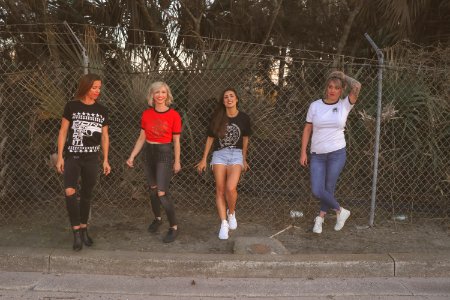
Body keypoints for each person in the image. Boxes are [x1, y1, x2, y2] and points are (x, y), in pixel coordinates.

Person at [300, 71, 361, 234]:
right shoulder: (315, 106)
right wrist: (303, 152)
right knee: (317, 190)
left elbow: (357, 87)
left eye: (336, 88)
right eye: (330, 87)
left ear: (341, 90)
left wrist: (343, 76)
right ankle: (341, 211)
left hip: (337, 153)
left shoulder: (344, 104)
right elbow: (307, 129)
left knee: (329, 187)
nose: (332, 90)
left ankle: (319, 219)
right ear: (326, 88)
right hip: (317, 155)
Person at [56, 73, 111, 251]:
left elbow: (105, 136)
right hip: (73, 156)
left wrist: (106, 160)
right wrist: (60, 156)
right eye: (94, 87)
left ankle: (84, 228)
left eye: (99, 88)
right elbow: (63, 132)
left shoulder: (102, 110)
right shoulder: (72, 106)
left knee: (87, 193)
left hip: (92, 158)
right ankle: (76, 232)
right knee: (70, 191)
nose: (97, 91)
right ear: (86, 87)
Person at [126, 81, 182, 243]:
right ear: (152, 95)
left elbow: (176, 141)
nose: (160, 95)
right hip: (148, 153)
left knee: (162, 193)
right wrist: (132, 156)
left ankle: (174, 227)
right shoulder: (146, 114)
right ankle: (157, 219)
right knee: (152, 190)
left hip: (164, 154)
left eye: (163, 92)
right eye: (157, 92)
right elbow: (142, 137)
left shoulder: (174, 115)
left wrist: (177, 161)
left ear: (167, 95)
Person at [197, 88, 252, 240]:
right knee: (220, 190)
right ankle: (223, 223)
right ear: (223, 101)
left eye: (231, 96)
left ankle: (231, 213)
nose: (229, 99)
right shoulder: (217, 117)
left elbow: (246, 139)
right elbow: (210, 138)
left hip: (236, 154)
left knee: (230, 188)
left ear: (236, 99)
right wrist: (204, 159)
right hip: (219, 154)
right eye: (226, 97)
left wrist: (244, 158)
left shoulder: (244, 118)